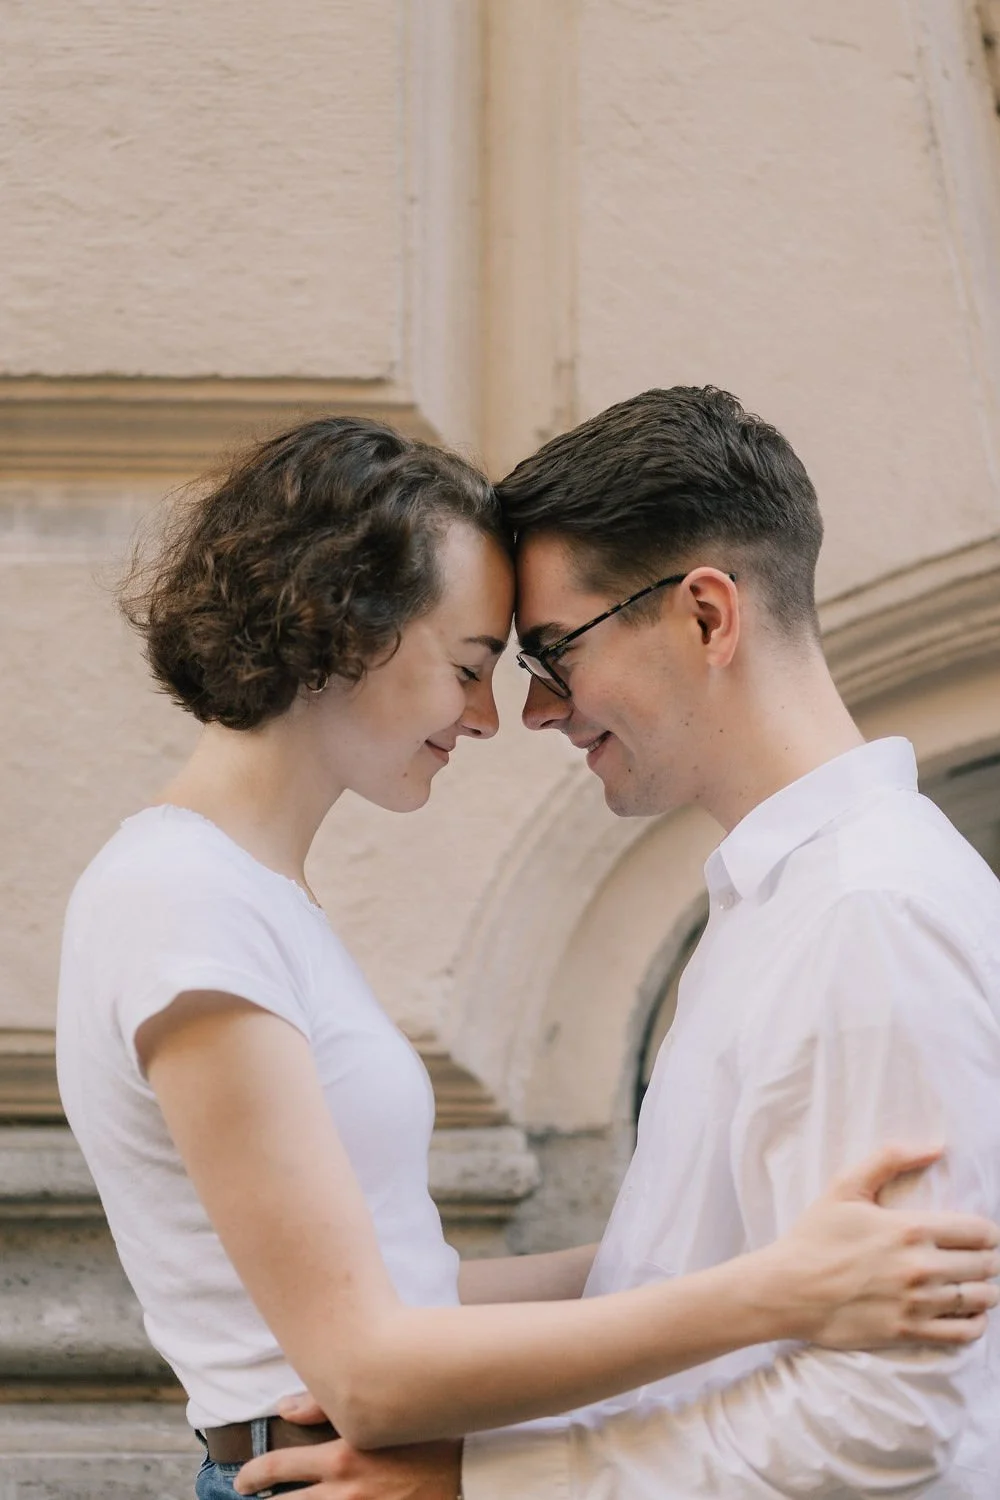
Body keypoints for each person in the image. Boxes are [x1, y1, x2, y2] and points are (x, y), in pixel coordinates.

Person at [56, 415, 995, 1500]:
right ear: (342, 629)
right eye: (479, 665)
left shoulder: (859, 912)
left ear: (705, 616)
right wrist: (774, 1288)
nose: (517, 711)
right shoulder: (186, 896)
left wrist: (497, 1473)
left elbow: (893, 1411)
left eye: (547, 654)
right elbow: (367, 1363)